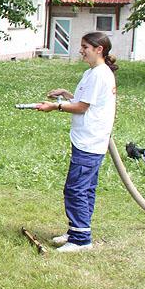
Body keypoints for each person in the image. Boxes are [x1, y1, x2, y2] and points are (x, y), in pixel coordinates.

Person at [36, 31, 118, 252]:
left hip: (90, 142)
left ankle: (81, 240)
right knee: (85, 188)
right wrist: (66, 94)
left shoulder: (101, 74)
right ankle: (77, 230)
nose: (81, 51)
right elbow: (83, 100)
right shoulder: (92, 73)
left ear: (99, 49)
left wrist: (55, 106)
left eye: (85, 47)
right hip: (86, 139)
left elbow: (82, 108)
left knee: (76, 189)